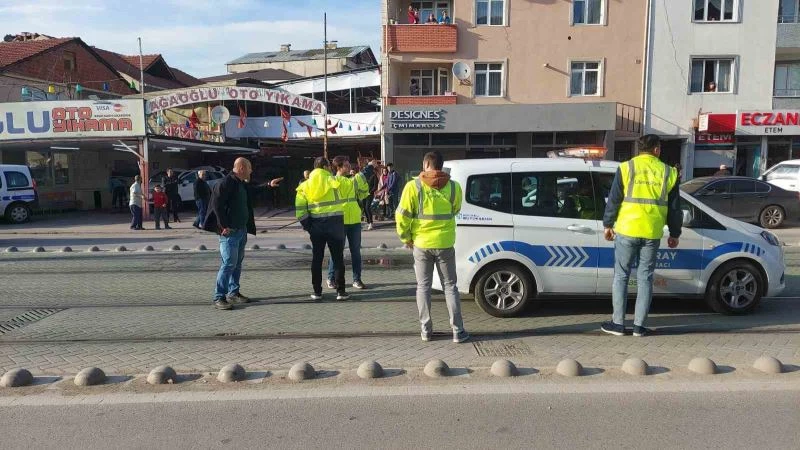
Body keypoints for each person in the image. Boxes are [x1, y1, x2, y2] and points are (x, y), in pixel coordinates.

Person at [601, 134, 682, 337]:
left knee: (621, 276)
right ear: (656, 149)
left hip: (627, 230)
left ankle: (618, 324)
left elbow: (614, 199)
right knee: (645, 278)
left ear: (639, 149)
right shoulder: (668, 172)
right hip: (652, 232)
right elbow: (675, 209)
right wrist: (674, 233)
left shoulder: (627, 167)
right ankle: (639, 326)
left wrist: (608, 224)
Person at [397, 151, 469, 343]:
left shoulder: (413, 187)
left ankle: (426, 331)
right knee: (450, 286)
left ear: (425, 164)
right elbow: (456, 209)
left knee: (423, 287)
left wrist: (407, 238)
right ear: (441, 165)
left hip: (421, 244)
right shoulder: (454, 187)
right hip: (445, 243)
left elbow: (402, 216)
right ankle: (458, 331)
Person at [203, 158, 282, 310]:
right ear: (240, 168)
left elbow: (252, 190)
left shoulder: (240, 183)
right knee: (228, 264)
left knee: (237, 264)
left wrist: (268, 185)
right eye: (249, 168)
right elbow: (216, 205)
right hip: (230, 232)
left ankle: (234, 292)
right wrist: (223, 226)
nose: (251, 171)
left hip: (241, 230)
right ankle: (219, 297)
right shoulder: (225, 183)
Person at [296, 157, 349, 301]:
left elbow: (300, 210)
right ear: (325, 167)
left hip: (316, 227)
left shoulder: (304, 186)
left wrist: (309, 227)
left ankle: (317, 292)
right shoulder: (335, 182)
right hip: (335, 226)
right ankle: (340, 292)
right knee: (338, 259)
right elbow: (352, 187)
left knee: (317, 259)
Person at [326, 157, 373, 290]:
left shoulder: (349, 181)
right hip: (339, 221)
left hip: (354, 221)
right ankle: (331, 277)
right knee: (337, 252)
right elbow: (357, 181)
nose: (349, 167)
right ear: (339, 168)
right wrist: (368, 167)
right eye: (346, 165)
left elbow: (361, 191)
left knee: (356, 252)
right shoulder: (334, 181)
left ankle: (356, 279)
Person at [362, 160, 379, 230]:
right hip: (364, 193)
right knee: (364, 207)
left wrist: (370, 192)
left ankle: (371, 223)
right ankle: (368, 222)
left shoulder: (374, 175)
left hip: (369, 193)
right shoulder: (365, 175)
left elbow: (375, 186)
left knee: (367, 207)